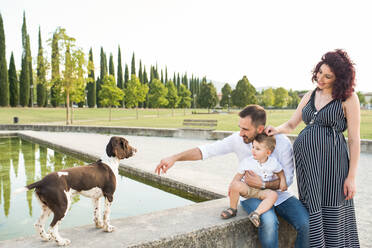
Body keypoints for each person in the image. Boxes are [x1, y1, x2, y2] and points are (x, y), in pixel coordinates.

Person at [155, 105, 309, 248]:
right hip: (250, 195)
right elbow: (206, 151)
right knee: (269, 222)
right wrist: (174, 158)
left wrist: (263, 184)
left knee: (306, 223)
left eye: (245, 129)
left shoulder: (282, 143)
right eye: (240, 128)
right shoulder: (238, 139)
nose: (241, 133)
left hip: (280, 195)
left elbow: (287, 179)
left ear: (260, 128)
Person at [265, 49, 360, 247]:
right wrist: (276, 129)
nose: (321, 78)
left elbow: (354, 139)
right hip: (307, 166)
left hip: (334, 165)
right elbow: (292, 124)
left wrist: (351, 177)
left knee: (333, 208)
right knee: (312, 208)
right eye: (320, 72)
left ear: (339, 78)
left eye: (328, 76)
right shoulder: (310, 95)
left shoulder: (348, 99)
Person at [221, 133, 288, 229]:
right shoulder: (247, 162)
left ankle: (256, 213)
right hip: (248, 189)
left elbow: (280, 172)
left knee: (273, 195)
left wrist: (283, 181)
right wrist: (232, 187)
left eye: (258, 149)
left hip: (262, 191)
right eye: (253, 147)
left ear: (268, 152)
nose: (253, 150)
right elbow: (238, 176)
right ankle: (233, 208)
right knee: (236, 184)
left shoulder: (273, 163)